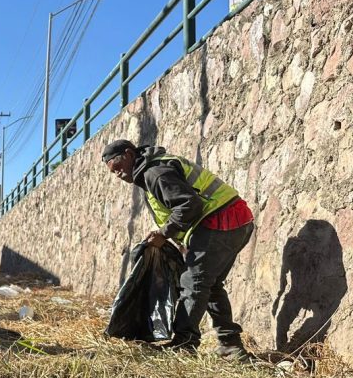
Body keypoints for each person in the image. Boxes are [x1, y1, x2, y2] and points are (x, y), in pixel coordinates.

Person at [102, 139, 255, 361]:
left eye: (117, 168)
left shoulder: (154, 173)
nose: (117, 174)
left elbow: (189, 205)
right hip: (235, 220)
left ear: (129, 154)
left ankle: (185, 343)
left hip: (221, 220)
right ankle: (230, 345)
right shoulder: (152, 170)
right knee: (209, 285)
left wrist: (164, 233)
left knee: (193, 282)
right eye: (112, 172)